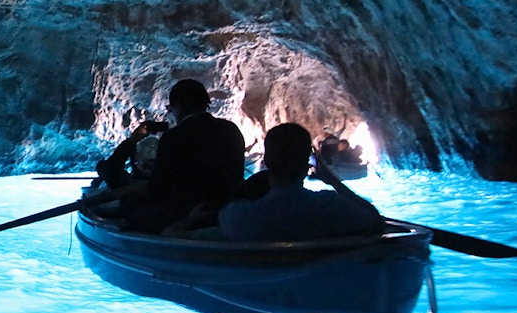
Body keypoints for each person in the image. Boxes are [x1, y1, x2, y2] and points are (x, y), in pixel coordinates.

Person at [219, 122, 385, 241]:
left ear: (267, 161)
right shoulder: (330, 206)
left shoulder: (238, 216)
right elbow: (375, 221)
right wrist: (333, 181)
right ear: (307, 163)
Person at [126, 79, 246, 234]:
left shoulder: (173, 137)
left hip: (183, 213)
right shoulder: (231, 130)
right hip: (225, 210)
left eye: (171, 108)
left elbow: (157, 188)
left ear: (179, 107)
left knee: (132, 212)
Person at [95, 121, 167, 189]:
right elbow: (108, 170)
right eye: (147, 146)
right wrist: (132, 141)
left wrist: (132, 140)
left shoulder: (172, 177)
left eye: (156, 147)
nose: (152, 149)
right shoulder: (129, 184)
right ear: (136, 160)